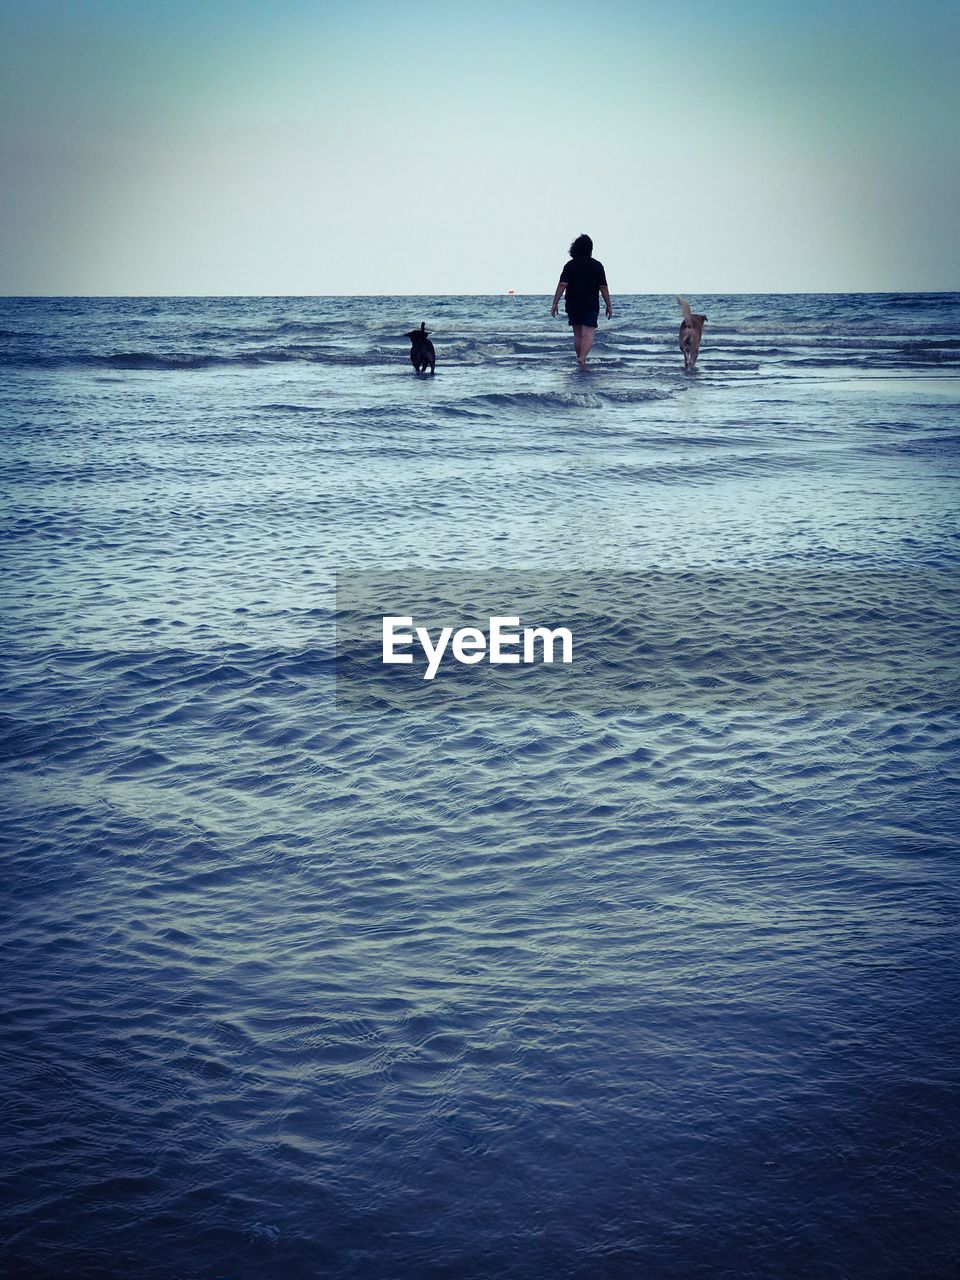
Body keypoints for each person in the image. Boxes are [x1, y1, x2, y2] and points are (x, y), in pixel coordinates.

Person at [550, 233, 612, 368]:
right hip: (590, 303)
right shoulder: (597, 266)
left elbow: (562, 285)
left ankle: (580, 358)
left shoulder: (570, 265)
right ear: (590, 249)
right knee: (588, 334)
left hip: (573, 303)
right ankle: (582, 358)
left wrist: (555, 303)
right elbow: (603, 287)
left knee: (577, 334)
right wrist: (609, 305)